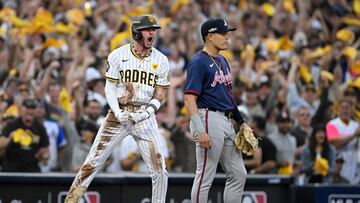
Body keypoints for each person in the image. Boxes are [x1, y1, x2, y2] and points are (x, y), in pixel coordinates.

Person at [64, 15, 170, 203]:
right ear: (137, 32)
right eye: (148, 29)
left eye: (154, 29)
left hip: (145, 115)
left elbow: (160, 93)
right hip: (118, 113)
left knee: (160, 169)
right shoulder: (118, 55)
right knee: (92, 162)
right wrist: (118, 112)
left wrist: (148, 112)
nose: (152, 32)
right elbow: (109, 87)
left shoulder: (161, 60)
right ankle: (71, 200)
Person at [184, 18, 248, 203]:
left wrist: (241, 122)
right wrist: (200, 130)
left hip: (226, 121)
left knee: (238, 174)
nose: (227, 37)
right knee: (205, 175)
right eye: (223, 34)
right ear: (210, 36)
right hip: (207, 118)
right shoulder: (198, 62)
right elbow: (189, 98)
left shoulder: (223, 60)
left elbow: (228, 97)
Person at [0, 98, 49, 172]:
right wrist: (10, 138)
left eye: (33, 108)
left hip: (32, 170)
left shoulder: (40, 127)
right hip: (11, 170)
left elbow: (46, 151)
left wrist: (43, 156)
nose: (30, 111)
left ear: (36, 110)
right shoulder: (12, 124)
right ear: (21, 109)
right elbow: (1, 144)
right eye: (27, 107)